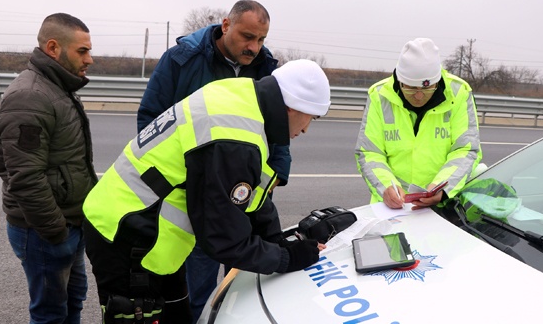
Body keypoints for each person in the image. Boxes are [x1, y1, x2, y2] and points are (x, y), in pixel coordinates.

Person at [83, 59, 330, 324]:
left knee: (178, 316)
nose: (305, 129)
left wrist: (278, 241)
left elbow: (249, 192)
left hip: (144, 227)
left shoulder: (242, 95)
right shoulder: (235, 141)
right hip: (125, 234)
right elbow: (224, 239)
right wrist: (286, 257)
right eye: (311, 118)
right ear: (292, 108)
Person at [136, 0, 284, 321]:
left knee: (245, 282)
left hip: (246, 196)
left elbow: (278, 129)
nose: (254, 47)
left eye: (261, 39)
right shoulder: (182, 61)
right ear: (225, 24)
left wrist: (277, 176)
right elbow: (150, 122)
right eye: (247, 37)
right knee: (199, 286)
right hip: (197, 199)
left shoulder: (266, 69)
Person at [0, 13, 97, 323]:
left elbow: (8, 160)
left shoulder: (57, 87)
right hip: (46, 230)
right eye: (82, 51)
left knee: (73, 300)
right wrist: (55, 230)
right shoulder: (31, 96)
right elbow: (24, 175)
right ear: (53, 47)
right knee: (50, 313)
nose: (90, 59)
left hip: (68, 223)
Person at [355, 38, 482, 210]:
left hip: (443, 206)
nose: (419, 96)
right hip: (392, 208)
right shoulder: (379, 95)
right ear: (399, 80)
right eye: (411, 88)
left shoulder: (459, 93)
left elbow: (466, 149)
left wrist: (443, 187)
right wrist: (386, 186)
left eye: (427, 89)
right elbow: (369, 152)